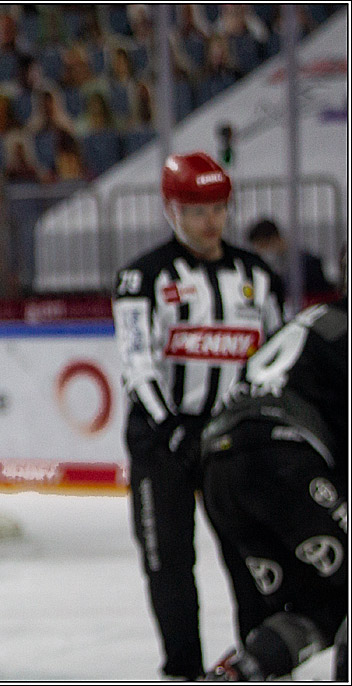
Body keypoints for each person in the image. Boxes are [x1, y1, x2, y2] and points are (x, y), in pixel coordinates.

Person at [111, 151, 286, 679]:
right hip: (162, 442)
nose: (210, 222)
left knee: (251, 556)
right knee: (168, 563)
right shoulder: (142, 278)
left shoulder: (255, 274)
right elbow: (136, 361)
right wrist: (171, 428)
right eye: (196, 211)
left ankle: (261, 663)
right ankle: (182, 670)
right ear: (172, 211)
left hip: (233, 443)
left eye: (218, 209)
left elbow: (275, 356)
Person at [201, 296, 347, 681]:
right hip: (282, 462)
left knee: (318, 610)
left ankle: (241, 671)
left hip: (220, 469)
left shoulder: (312, 320)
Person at [246, 218, 334, 297]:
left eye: (262, 246)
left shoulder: (307, 262)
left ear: (273, 239)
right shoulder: (276, 263)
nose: (262, 252)